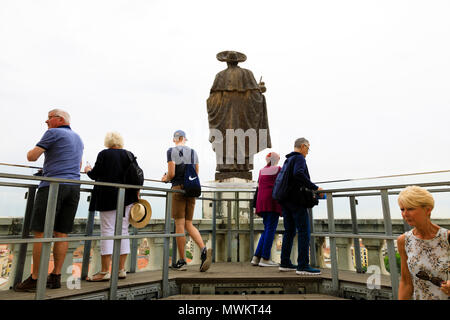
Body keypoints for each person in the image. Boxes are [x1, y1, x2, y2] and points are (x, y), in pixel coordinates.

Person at [15, 109, 84, 292]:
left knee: (41, 233)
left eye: (49, 118)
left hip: (53, 187)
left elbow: (32, 156)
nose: (46, 122)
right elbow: (77, 165)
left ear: (59, 120)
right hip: (73, 187)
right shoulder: (78, 138)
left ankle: (35, 279)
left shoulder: (53, 132)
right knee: (62, 233)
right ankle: (55, 277)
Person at [84, 132, 140, 281]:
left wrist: (88, 170)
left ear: (107, 142)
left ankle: (104, 272)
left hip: (107, 197)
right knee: (123, 231)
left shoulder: (104, 154)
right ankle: (121, 269)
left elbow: (95, 174)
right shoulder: (129, 154)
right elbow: (137, 177)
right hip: (128, 197)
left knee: (107, 231)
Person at [161, 130, 212, 272]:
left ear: (175, 139)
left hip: (178, 189)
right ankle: (203, 249)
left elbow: (171, 173)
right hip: (191, 189)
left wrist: (165, 179)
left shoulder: (171, 151)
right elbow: (196, 172)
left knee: (179, 223)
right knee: (189, 224)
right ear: (184, 139)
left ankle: (182, 261)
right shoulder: (193, 152)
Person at [278, 138, 323, 275]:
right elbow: (298, 174)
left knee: (289, 231)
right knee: (304, 231)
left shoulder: (288, 160)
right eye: (308, 148)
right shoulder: (299, 159)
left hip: (285, 200)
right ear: (303, 146)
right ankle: (303, 265)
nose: (308, 152)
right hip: (296, 200)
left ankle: (285, 262)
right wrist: (315, 187)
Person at [396, 186, 450, 300]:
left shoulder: (447, 238)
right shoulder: (404, 241)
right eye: (402, 209)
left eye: (410, 208)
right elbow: (406, 283)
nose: (405, 214)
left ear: (428, 209)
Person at [251, 152, 282, 267]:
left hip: (261, 202)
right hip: (271, 202)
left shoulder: (262, 171)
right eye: (279, 158)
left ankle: (256, 257)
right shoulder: (278, 169)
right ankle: (265, 258)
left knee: (267, 229)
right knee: (270, 229)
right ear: (275, 159)